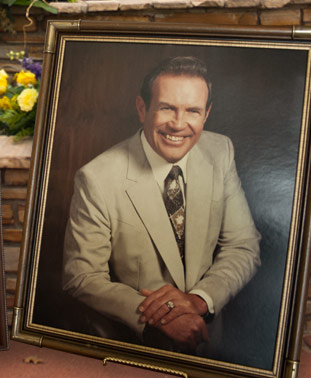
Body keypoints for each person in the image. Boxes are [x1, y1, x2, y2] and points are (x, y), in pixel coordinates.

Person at [62, 56, 260, 355]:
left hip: (211, 336)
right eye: (167, 108)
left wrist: (199, 300)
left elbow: (243, 245)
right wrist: (160, 315)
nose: (178, 124)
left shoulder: (220, 151)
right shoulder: (97, 178)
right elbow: (82, 276)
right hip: (140, 343)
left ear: (206, 115)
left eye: (192, 111)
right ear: (143, 109)